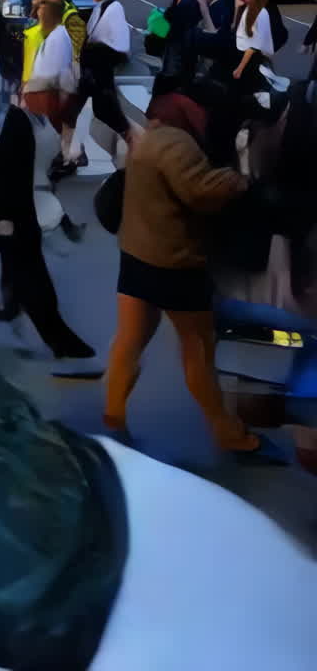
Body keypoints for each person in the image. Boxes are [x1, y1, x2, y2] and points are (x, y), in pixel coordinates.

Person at [103, 91, 281, 459]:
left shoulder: (148, 141)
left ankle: (113, 414)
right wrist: (239, 180)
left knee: (128, 345)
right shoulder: (175, 143)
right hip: (175, 265)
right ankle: (227, 432)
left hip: (135, 258)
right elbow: (200, 190)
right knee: (197, 351)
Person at [0, 107, 99, 373]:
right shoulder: (19, 118)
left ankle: (25, 319)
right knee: (27, 271)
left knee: (24, 269)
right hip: (18, 207)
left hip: (22, 206)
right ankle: (53, 338)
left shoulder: (16, 116)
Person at [57, 0, 131, 175]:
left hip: (98, 75)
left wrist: (94, 50)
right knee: (73, 114)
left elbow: (118, 43)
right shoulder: (99, 9)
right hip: (91, 74)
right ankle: (69, 157)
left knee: (113, 118)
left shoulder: (112, 9)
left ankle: (142, 151)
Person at [22, 0, 74, 132]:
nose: (39, 19)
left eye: (41, 15)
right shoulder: (54, 36)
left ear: (49, 16)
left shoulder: (58, 38)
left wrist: (27, 89)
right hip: (43, 109)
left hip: (48, 111)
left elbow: (56, 77)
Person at [154, 0, 202, 94]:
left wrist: (171, 14)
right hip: (173, 39)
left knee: (180, 74)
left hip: (186, 42)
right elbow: (170, 14)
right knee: (169, 69)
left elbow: (184, 18)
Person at [233, 0, 274, 92]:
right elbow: (236, 30)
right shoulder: (246, 8)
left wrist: (240, 68)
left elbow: (255, 46)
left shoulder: (261, 13)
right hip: (244, 57)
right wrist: (237, 8)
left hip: (254, 61)